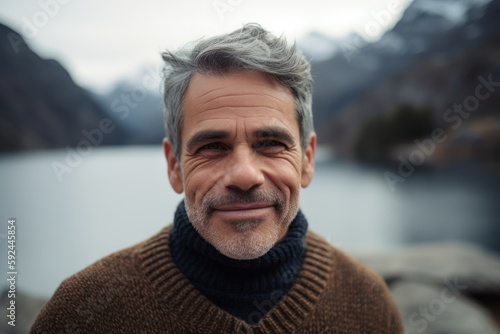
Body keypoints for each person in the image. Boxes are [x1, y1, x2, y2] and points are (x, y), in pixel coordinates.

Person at [31, 23, 403, 333]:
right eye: (212, 146)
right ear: (174, 165)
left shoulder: (367, 304)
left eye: (271, 143)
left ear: (306, 160)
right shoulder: (82, 312)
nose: (244, 175)